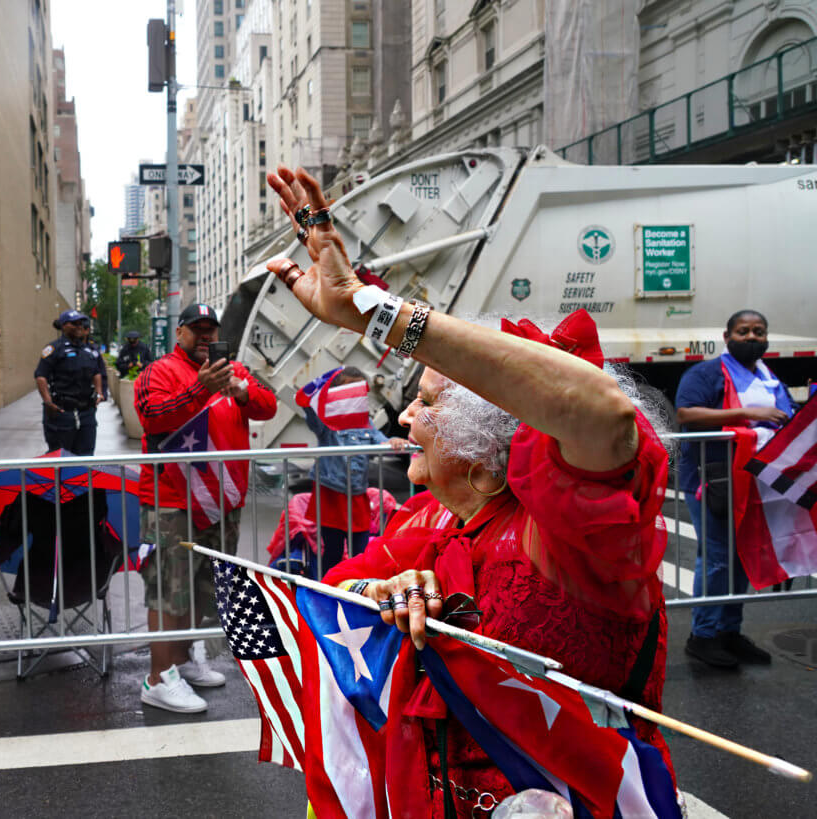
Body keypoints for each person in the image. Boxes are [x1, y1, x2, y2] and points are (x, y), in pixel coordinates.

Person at [265, 165, 678, 813]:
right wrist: (378, 592)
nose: (402, 417)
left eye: (425, 402)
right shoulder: (428, 518)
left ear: (488, 463)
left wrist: (379, 313)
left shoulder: (572, 539)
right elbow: (330, 591)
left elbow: (600, 413)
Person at [134, 302, 277, 713]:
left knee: (202, 589)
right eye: (197, 330)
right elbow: (152, 416)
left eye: (211, 330)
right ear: (179, 334)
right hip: (171, 501)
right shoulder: (159, 370)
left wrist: (243, 390)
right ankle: (158, 678)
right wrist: (202, 388)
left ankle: (181, 661)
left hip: (220, 501)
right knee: (167, 590)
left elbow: (267, 406)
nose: (206, 337)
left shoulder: (233, 369)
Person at [675, 309, 794, 668]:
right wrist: (745, 413)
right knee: (716, 558)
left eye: (759, 331)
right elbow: (686, 414)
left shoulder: (769, 377)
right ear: (727, 337)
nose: (752, 337)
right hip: (712, 479)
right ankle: (703, 636)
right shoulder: (706, 373)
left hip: (755, 480)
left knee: (741, 557)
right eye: (743, 331)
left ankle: (729, 632)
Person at [301, 366, 406, 565]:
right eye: (347, 389)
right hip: (330, 493)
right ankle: (328, 590)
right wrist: (313, 395)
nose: (353, 395)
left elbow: (381, 441)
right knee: (333, 551)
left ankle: (358, 591)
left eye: (358, 389)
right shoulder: (327, 421)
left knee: (361, 551)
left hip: (357, 493)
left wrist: (396, 442)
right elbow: (312, 416)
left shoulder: (365, 421)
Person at [35, 309, 105, 455]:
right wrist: (48, 402)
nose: (79, 326)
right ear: (63, 326)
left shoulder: (88, 349)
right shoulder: (54, 349)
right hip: (62, 412)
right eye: (74, 323)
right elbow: (41, 376)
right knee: (61, 457)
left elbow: (97, 372)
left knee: (86, 457)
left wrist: (99, 393)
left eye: (80, 323)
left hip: (86, 412)